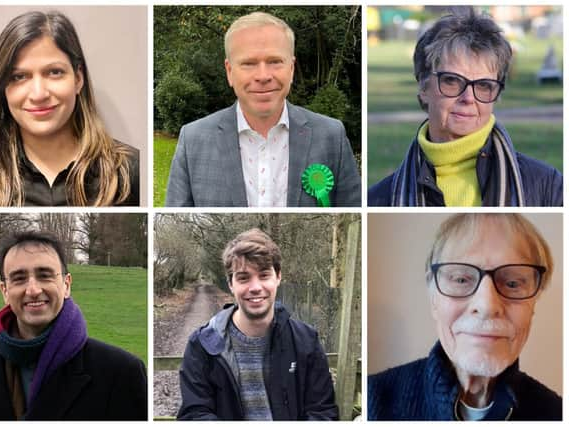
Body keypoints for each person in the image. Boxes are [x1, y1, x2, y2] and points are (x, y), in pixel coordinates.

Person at [368, 213, 562, 420]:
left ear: (534, 301)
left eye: (513, 283)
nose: (487, 306)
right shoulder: (375, 400)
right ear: (433, 297)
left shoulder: (555, 413)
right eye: (461, 279)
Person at [368, 8, 562, 206]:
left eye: (484, 85)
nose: (468, 97)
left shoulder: (547, 187)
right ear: (424, 87)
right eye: (452, 80)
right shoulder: (379, 199)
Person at [165, 12, 361, 207]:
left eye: (275, 62)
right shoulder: (193, 140)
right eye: (249, 64)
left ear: (291, 69)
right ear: (229, 71)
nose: (263, 75)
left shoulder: (331, 136)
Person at [0, 11, 139, 206]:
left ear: (78, 79)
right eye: (19, 76)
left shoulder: (127, 170)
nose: (38, 94)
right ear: (3, 87)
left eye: (54, 72)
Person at [0, 231, 147, 420]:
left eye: (44, 275)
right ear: (5, 291)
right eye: (19, 278)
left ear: (66, 285)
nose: (33, 290)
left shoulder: (121, 372)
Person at [178, 229, 338, 420]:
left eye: (263, 275)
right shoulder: (202, 345)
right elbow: (194, 415)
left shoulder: (306, 341)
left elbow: (323, 412)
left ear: (278, 277)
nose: (255, 288)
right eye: (244, 277)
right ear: (230, 283)